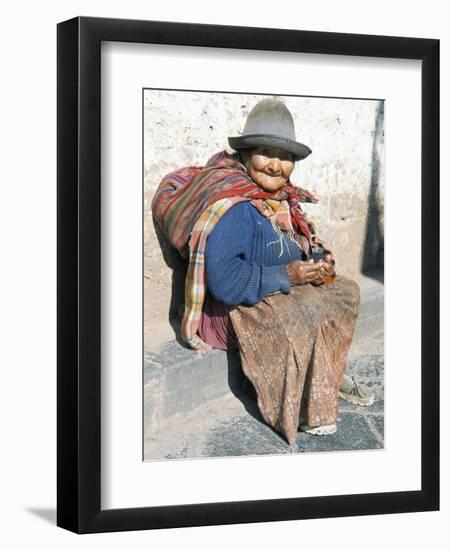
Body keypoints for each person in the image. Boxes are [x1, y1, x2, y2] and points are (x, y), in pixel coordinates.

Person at [152, 98, 374, 445]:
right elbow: (225, 282)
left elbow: (297, 243)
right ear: (246, 154)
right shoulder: (235, 206)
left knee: (343, 291)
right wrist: (289, 276)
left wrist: (316, 262)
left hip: (273, 289)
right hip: (231, 310)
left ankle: (322, 374)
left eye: (285, 157)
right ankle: (298, 403)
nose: (275, 165)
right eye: (265, 153)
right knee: (301, 309)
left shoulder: (281, 200)